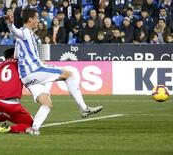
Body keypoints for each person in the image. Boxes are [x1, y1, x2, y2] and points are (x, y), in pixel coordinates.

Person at [6, 8, 103, 136]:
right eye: (36, 18)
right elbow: (16, 32)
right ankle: (84, 108)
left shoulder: (23, 38)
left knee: (47, 103)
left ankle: (34, 128)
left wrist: (36, 59)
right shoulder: (25, 32)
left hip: (25, 77)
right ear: (30, 19)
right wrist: (10, 24)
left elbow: (17, 55)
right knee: (68, 74)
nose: (37, 20)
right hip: (34, 70)